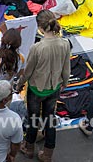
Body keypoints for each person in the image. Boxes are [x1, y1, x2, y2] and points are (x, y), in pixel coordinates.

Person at [16, 9, 71, 161]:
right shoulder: (65, 44)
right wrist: (64, 83)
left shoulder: (37, 47)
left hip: (36, 89)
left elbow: (28, 72)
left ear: (40, 28)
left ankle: (29, 148)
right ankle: (47, 154)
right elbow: (66, 68)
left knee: (33, 119)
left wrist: (19, 84)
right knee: (49, 119)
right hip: (54, 87)